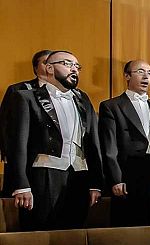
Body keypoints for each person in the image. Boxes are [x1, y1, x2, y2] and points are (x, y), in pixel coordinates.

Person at [6, 50, 103, 231]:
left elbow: (93, 143)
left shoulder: (83, 99)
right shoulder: (26, 97)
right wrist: (21, 185)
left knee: (74, 235)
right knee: (40, 233)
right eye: (67, 64)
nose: (74, 69)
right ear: (49, 68)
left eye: (77, 66)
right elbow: (17, 144)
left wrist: (95, 182)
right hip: (43, 177)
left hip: (79, 175)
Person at [99, 60, 150, 227]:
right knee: (128, 222)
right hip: (128, 172)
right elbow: (109, 147)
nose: (146, 77)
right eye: (140, 72)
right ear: (127, 76)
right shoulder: (111, 106)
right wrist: (116, 179)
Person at [0, 49, 50, 167]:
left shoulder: (68, 94)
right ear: (35, 67)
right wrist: (6, 150)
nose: (50, 66)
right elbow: (4, 122)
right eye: (46, 62)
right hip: (21, 151)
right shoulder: (17, 89)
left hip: (50, 158)